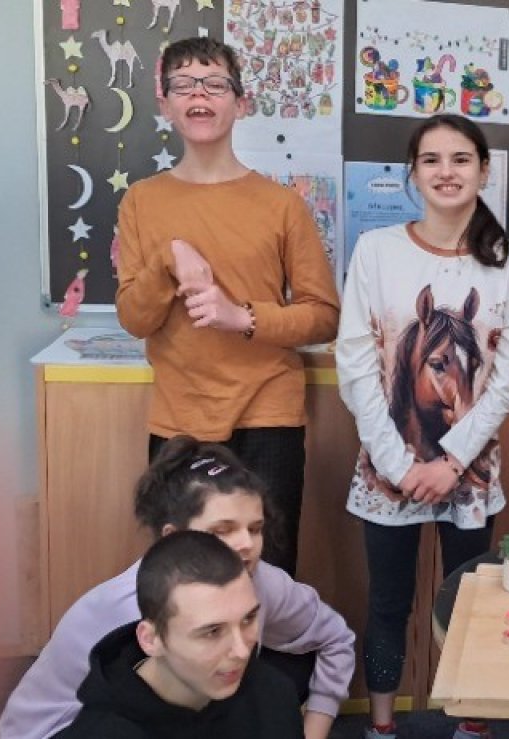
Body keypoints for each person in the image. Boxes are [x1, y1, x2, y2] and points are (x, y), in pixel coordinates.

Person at [335, 114, 509, 739]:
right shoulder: (376, 251)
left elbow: (508, 376)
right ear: (413, 173)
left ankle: (471, 724)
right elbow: (356, 365)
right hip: (386, 468)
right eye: (431, 160)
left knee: (470, 606)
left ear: (484, 170)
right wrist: (398, 465)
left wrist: (451, 461)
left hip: (469, 474)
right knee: (388, 603)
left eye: (460, 159)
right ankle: (381, 727)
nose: (446, 172)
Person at [115, 37, 341, 575]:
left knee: (268, 572)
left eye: (214, 84)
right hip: (180, 420)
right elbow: (135, 319)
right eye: (183, 85)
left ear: (240, 103)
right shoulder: (141, 201)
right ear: (164, 103)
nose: (199, 95)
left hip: (268, 417)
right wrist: (169, 258)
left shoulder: (282, 205)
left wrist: (243, 317)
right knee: (186, 580)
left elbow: (323, 315)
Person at [1, 436, 356, 739]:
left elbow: (334, 638)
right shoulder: (129, 611)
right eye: (222, 530)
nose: (247, 545)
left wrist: (313, 728)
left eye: (255, 528)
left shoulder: (260, 579)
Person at [53, 530, 302, 738]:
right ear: (151, 639)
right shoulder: (101, 732)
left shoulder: (274, 696)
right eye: (212, 632)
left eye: (248, 619)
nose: (241, 650)